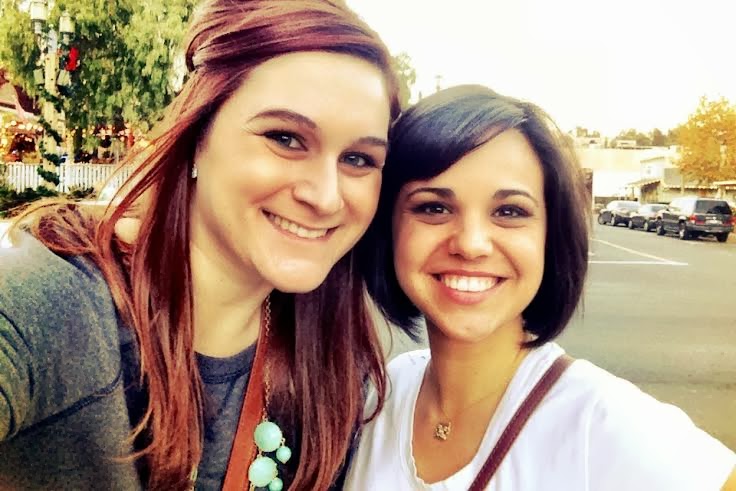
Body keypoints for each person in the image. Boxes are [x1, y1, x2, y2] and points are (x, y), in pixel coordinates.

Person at [0, 1, 400, 489]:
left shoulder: (336, 368)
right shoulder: (56, 307)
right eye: (285, 138)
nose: (325, 196)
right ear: (197, 135)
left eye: (358, 159)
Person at [347, 85, 736, 490]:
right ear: (389, 228)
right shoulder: (381, 395)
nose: (471, 243)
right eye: (434, 207)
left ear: (550, 235)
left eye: (509, 211)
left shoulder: (601, 425)